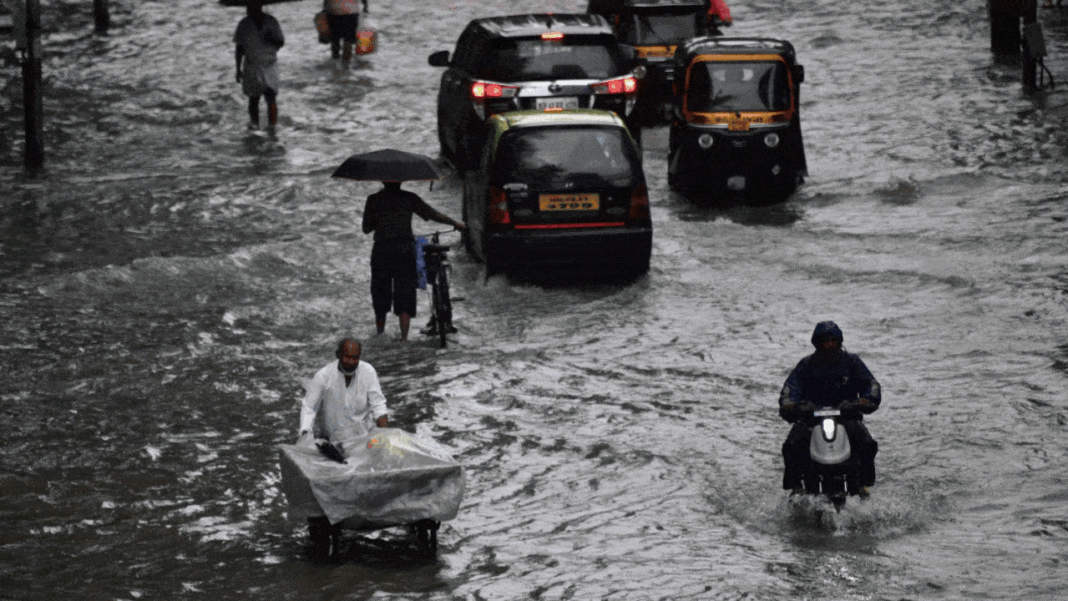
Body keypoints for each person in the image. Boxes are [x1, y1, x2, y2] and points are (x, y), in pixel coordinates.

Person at [778, 321, 881, 496]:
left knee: (867, 443)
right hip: (811, 420)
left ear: (840, 342)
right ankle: (796, 487)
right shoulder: (806, 365)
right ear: (816, 343)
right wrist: (797, 406)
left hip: (847, 418)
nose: (829, 345)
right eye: (824, 341)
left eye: (833, 340)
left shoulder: (852, 362)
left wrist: (858, 403)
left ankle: (863, 484)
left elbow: (872, 387)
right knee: (792, 445)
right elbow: (789, 391)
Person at [361, 182, 464, 341]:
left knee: (380, 293)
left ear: (382, 180)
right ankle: (404, 339)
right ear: (401, 181)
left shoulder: (374, 199)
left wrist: (380, 218)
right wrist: (455, 223)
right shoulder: (409, 198)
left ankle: (380, 334)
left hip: (382, 251)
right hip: (405, 251)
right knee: (406, 294)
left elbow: (366, 229)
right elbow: (433, 214)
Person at [297, 337, 388, 454]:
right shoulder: (323, 375)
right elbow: (309, 407)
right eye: (347, 357)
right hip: (332, 441)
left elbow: (379, 406)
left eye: (355, 358)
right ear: (337, 355)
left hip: (363, 438)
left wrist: (386, 435)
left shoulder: (368, 372)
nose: (350, 362)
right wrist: (305, 434)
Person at [234, 0, 285, 130]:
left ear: (259, 6)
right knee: (253, 98)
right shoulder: (244, 24)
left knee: (270, 97)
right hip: (251, 65)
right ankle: (255, 125)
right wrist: (238, 69)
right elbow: (239, 48)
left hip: (269, 64)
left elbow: (280, 42)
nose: (248, 9)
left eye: (250, 6)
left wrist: (271, 38)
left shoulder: (271, 22)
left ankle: (272, 126)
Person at [324, 0, 368, 65]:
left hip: (334, 10)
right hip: (351, 12)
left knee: (335, 39)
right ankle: (345, 66)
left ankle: (335, 62)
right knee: (348, 40)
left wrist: (325, 9)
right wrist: (365, 6)